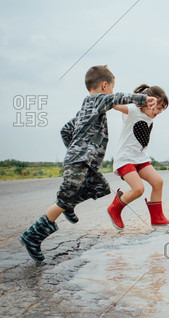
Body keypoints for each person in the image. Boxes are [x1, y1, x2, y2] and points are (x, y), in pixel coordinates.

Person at [19, 66, 156, 263]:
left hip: (85, 162)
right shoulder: (97, 99)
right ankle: (33, 236)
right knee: (63, 199)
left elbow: (65, 130)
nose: (111, 91)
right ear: (104, 85)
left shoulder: (86, 109)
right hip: (80, 161)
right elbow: (115, 98)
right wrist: (143, 99)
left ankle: (68, 206)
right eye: (111, 87)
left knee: (100, 187)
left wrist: (74, 148)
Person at [107, 84, 169, 229]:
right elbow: (114, 104)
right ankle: (115, 208)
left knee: (158, 182)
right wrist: (105, 95)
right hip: (125, 159)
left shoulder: (150, 117)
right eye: (159, 107)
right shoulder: (132, 110)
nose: (160, 111)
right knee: (138, 189)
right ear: (149, 102)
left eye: (162, 108)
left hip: (141, 158)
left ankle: (157, 218)